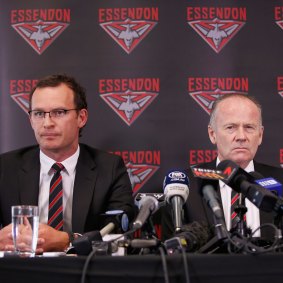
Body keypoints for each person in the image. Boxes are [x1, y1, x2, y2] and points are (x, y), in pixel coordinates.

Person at [0, 74, 135, 253]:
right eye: (39, 114)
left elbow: (120, 234)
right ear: (31, 119)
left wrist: (68, 240)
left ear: (81, 117)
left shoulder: (109, 168)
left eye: (59, 112)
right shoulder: (5, 167)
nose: (47, 123)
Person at [162, 93, 283, 243]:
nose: (241, 136)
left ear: (260, 135)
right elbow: (172, 254)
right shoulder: (185, 187)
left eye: (249, 127)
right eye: (231, 127)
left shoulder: (280, 181)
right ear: (212, 134)